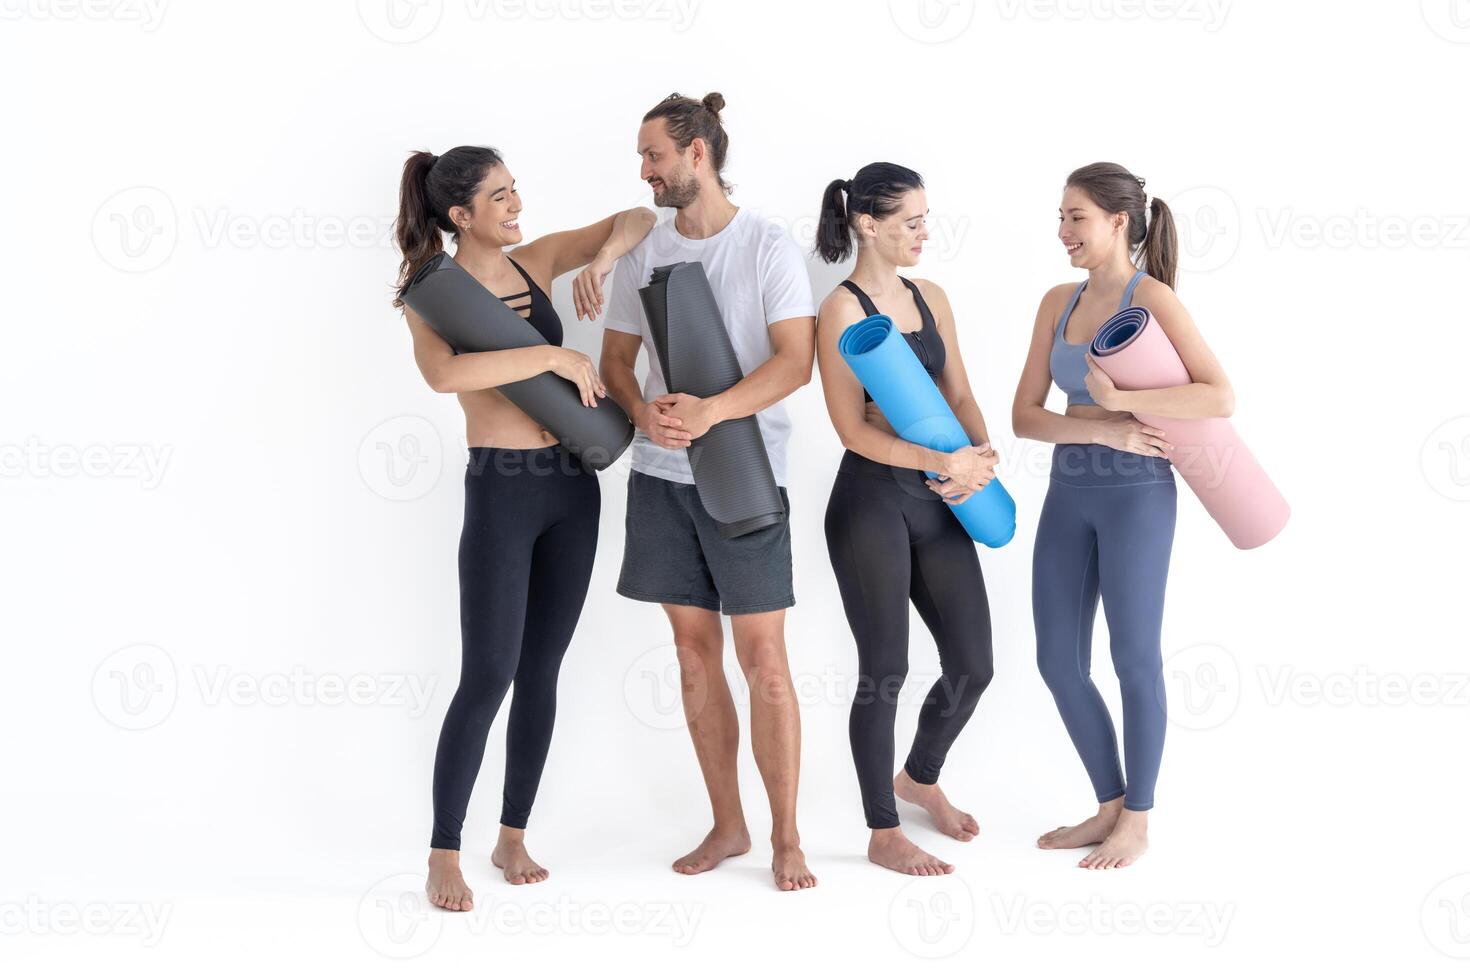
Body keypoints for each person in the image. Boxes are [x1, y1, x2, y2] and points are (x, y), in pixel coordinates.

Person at [392, 144, 656, 910]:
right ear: (459, 216)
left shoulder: (536, 262)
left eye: (515, 191)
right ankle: (445, 850)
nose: (515, 206)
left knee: (542, 672)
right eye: (499, 198)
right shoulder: (432, 292)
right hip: (502, 488)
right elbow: (444, 375)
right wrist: (547, 352)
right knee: (489, 674)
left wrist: (603, 258)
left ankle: (512, 836)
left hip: (571, 487)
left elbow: (639, 217)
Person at [599, 92, 819, 891]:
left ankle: (786, 836)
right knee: (694, 657)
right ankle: (728, 826)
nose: (645, 170)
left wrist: (711, 410)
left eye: (653, 154)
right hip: (661, 482)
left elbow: (796, 361)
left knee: (765, 660)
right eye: (641, 157)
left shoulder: (766, 246)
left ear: (697, 154)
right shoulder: (645, 252)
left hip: (748, 479)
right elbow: (618, 360)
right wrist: (641, 411)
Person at [1012, 162, 1234, 869]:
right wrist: (1103, 425)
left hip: (1139, 494)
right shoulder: (1055, 302)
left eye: (1076, 216)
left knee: (1133, 655)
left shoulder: (1154, 298)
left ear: (1118, 222)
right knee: (1056, 660)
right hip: (1069, 494)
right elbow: (1023, 417)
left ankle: (1137, 818)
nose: (1063, 230)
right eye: (1060, 216)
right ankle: (1108, 803)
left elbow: (1220, 396)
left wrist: (1120, 408)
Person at [812, 163, 997, 875]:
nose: (925, 231)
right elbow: (850, 427)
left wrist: (977, 455)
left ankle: (918, 776)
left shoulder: (932, 296)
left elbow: (960, 390)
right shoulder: (842, 309)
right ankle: (882, 830)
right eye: (911, 220)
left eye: (926, 218)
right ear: (868, 224)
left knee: (974, 665)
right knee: (885, 668)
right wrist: (935, 458)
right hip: (871, 500)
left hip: (942, 496)